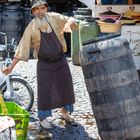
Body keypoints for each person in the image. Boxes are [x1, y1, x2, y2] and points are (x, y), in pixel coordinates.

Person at [2, 0, 78, 129]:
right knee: (45, 92)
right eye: (37, 9)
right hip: (44, 64)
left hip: (60, 60)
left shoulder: (54, 17)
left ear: (46, 9)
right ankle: (43, 118)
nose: (40, 11)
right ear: (33, 12)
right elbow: (22, 48)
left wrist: (70, 22)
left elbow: (70, 19)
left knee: (66, 88)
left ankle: (65, 113)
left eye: (42, 8)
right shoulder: (31, 27)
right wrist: (11, 67)